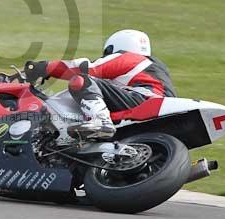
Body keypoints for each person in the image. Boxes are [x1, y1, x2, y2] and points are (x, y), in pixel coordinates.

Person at [24, 29, 175, 139]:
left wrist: (44, 68)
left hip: (144, 100)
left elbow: (89, 69)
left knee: (82, 80)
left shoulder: (132, 58)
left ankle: (101, 122)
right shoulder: (149, 70)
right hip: (153, 112)